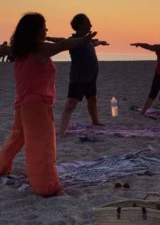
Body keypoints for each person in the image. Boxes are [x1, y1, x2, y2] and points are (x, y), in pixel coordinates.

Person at [0, 12, 95, 197]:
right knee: (42, 147)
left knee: (16, 139)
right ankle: (47, 187)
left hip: (22, 105)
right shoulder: (40, 49)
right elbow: (64, 45)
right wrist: (83, 40)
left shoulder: (17, 48)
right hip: (35, 106)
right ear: (36, 30)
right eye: (44, 26)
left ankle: (1, 167)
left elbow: (2, 51)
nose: (47, 29)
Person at [59, 14, 109, 137]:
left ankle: (95, 121)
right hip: (78, 78)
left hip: (91, 78)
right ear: (80, 24)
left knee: (92, 99)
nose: (91, 25)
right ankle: (62, 131)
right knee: (71, 104)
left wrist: (100, 42)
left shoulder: (88, 41)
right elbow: (62, 42)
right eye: (88, 22)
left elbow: (92, 43)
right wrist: (49, 38)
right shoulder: (73, 41)